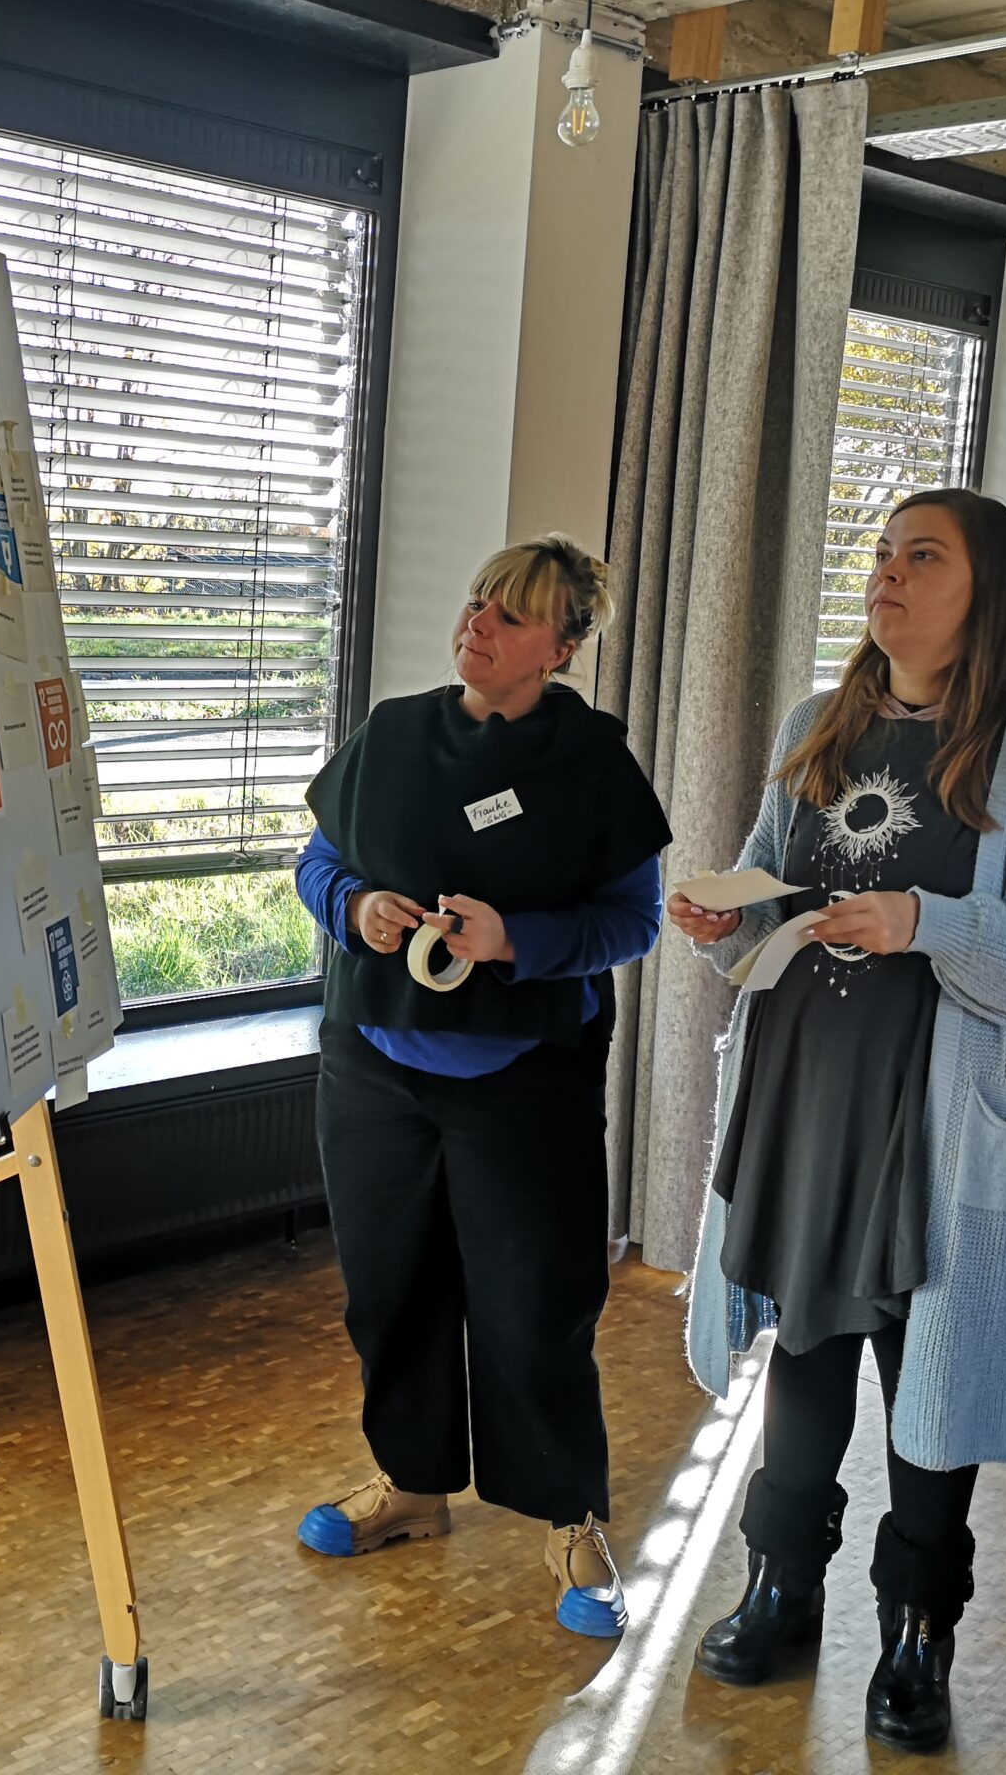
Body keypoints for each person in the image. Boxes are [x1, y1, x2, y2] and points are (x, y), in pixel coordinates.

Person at [667, 489, 1006, 1749]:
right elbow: (777, 901)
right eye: (881, 553)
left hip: (942, 1117)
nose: (887, 574)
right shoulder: (818, 723)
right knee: (806, 1349)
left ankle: (917, 1632)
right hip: (805, 1094)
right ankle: (779, 1591)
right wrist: (728, 921)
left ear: (988, 589)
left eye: (921, 556)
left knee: (933, 1375)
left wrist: (930, 924)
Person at [291, 534, 671, 1637]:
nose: (479, 625)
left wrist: (516, 941)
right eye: (475, 602)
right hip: (375, 1066)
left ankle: (569, 1515)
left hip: (522, 1082)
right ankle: (412, 1486)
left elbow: (632, 922)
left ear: (560, 648)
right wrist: (355, 906)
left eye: (509, 615)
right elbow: (316, 862)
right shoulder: (393, 733)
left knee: (533, 1307)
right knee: (388, 1290)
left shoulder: (592, 763)